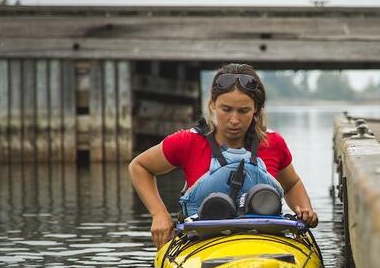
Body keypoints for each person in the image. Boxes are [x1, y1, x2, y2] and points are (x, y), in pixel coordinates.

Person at [129, 63, 318, 249]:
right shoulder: (187, 142)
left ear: (256, 110)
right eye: (226, 109)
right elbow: (139, 167)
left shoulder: (273, 143)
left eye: (243, 111)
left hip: (265, 245)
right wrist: (159, 214)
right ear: (212, 104)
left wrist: (305, 210)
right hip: (201, 247)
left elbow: (291, 184)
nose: (234, 120)